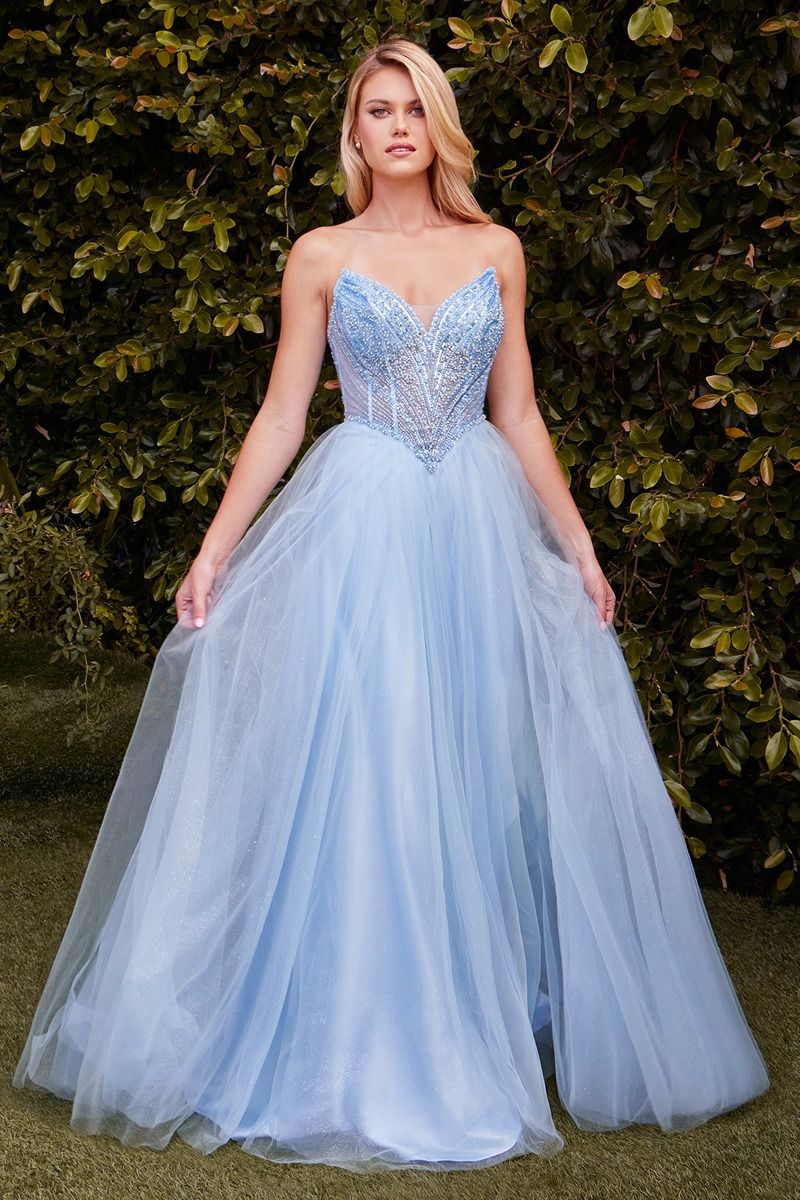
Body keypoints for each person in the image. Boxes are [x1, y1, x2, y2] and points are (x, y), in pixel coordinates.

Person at [13, 37, 769, 1174]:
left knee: (473, 766)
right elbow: (282, 415)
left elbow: (518, 412)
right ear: (355, 134)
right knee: (377, 756)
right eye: (379, 110)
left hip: (473, 525)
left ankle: (466, 1014)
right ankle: (363, 1038)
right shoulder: (320, 253)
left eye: (415, 108)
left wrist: (576, 546)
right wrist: (215, 551)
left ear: (438, 127)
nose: (399, 127)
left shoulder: (495, 249)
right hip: (359, 525)